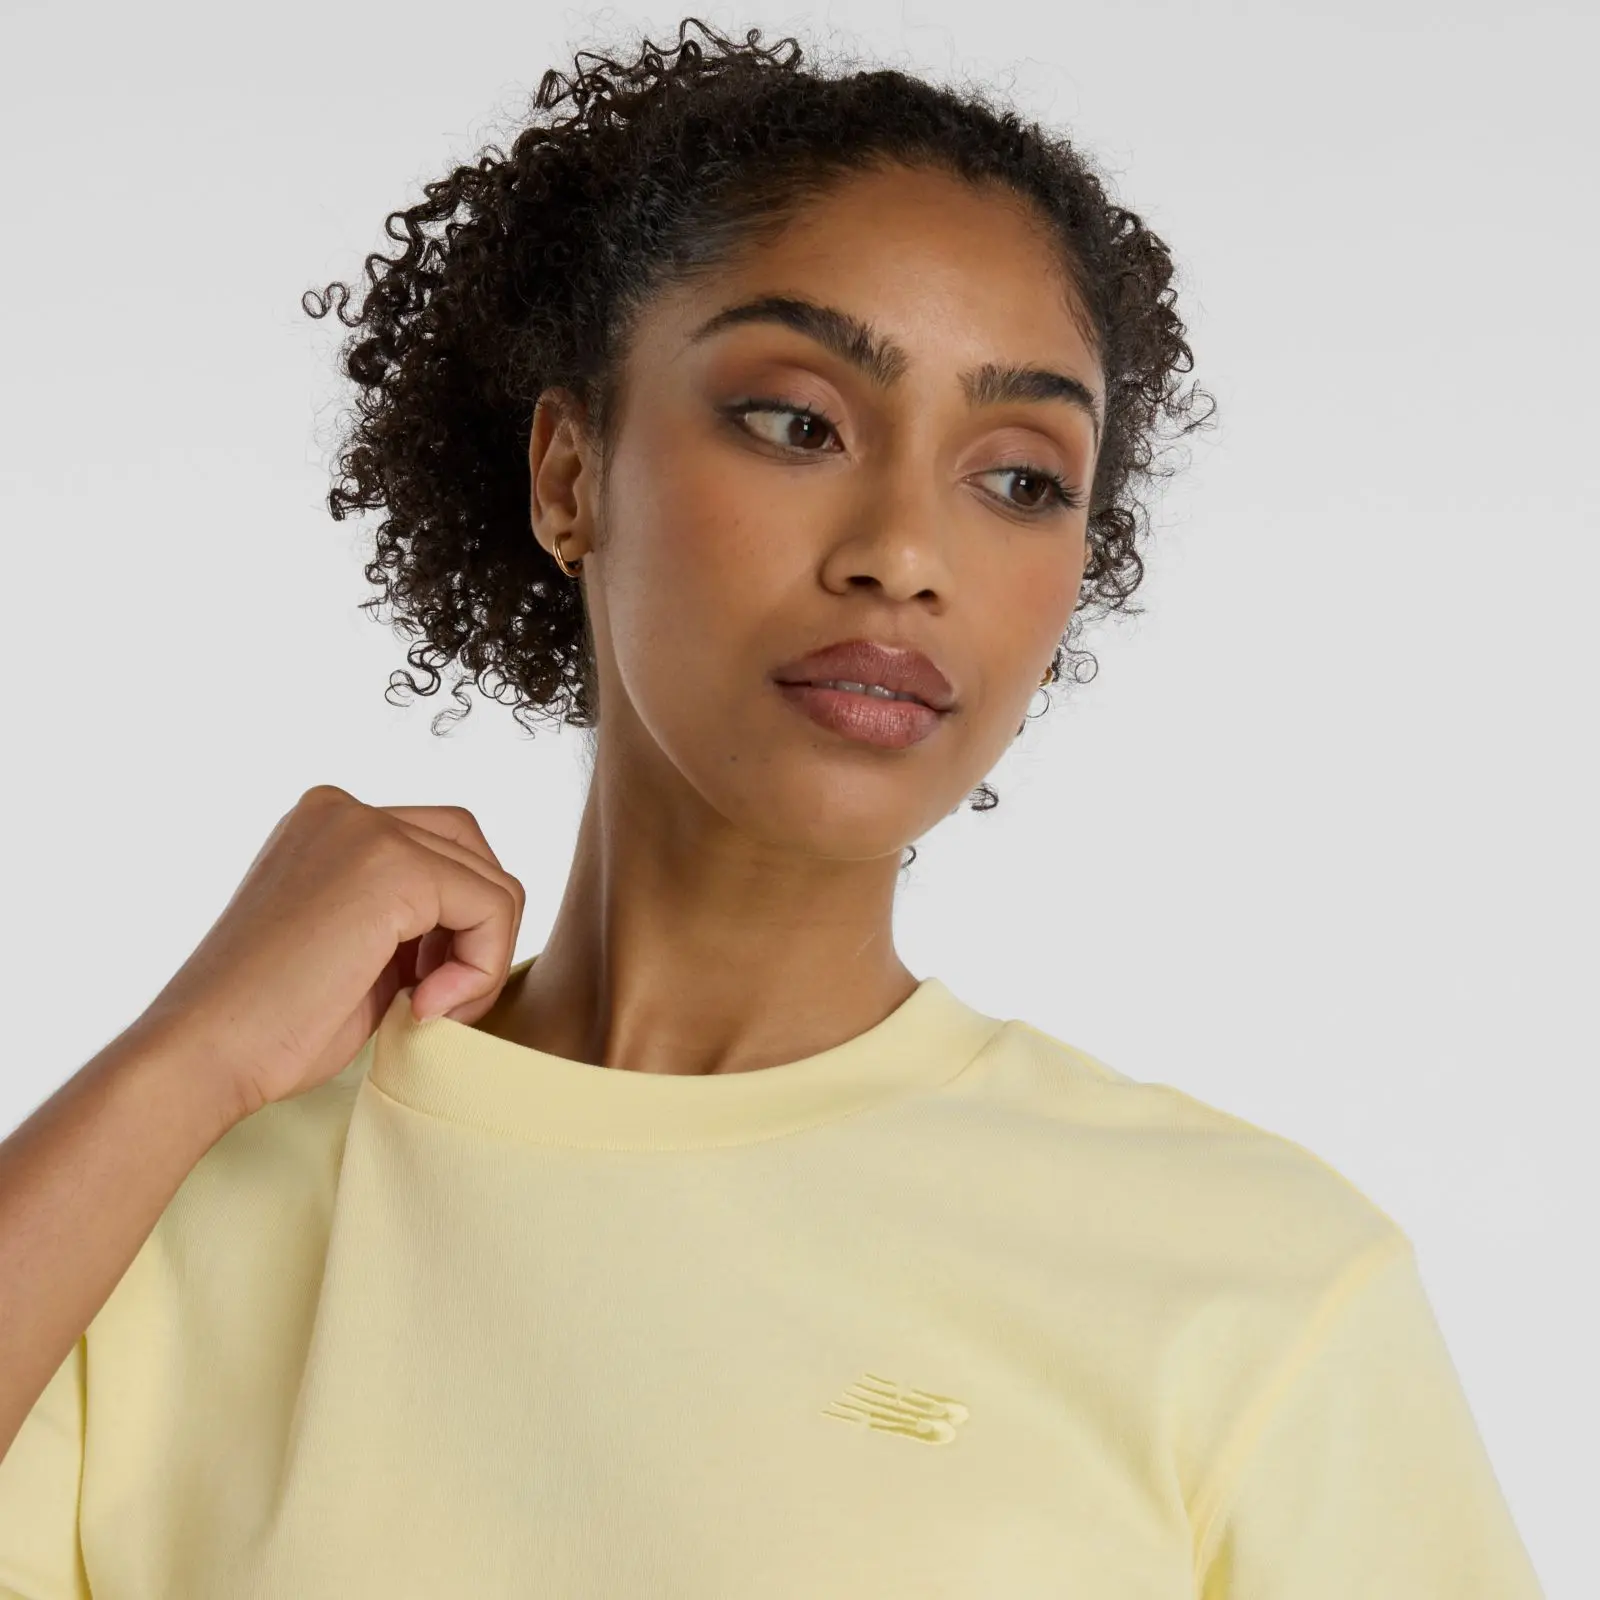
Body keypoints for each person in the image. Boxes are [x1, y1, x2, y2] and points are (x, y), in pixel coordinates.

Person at [0, 17, 1543, 1598]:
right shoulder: (156, 1215)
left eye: (1020, 478)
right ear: (570, 477)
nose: (905, 553)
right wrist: (184, 1059)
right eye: (799, 422)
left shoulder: (1253, 1286)